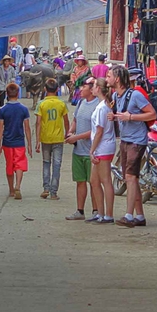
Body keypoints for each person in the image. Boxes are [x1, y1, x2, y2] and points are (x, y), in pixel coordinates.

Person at [106, 65, 157, 228]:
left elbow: (152, 114)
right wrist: (115, 117)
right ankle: (140, 216)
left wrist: (131, 116)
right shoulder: (116, 95)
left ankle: (129, 215)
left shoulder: (135, 95)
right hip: (126, 139)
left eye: (109, 76)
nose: (107, 78)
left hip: (137, 140)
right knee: (130, 178)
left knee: (130, 177)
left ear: (118, 79)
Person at [64, 78, 99, 220]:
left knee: (94, 183)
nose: (80, 90)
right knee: (80, 181)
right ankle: (80, 210)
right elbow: (75, 120)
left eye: (83, 87)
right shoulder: (80, 103)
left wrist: (76, 137)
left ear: (91, 90)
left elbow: (96, 130)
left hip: (92, 151)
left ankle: (96, 210)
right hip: (78, 150)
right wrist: (70, 132)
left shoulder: (99, 106)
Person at [86, 77, 117, 224]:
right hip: (102, 146)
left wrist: (91, 150)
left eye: (93, 86)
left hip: (102, 146)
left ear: (98, 88)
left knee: (105, 180)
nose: (91, 88)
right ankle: (100, 212)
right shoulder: (104, 106)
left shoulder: (102, 108)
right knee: (95, 180)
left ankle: (108, 214)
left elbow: (99, 131)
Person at [35, 78, 69, 200]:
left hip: (45, 138)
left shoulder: (41, 104)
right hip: (58, 138)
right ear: (57, 90)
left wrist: (37, 140)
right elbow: (66, 121)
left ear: (45, 89)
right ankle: (53, 192)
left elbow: (38, 123)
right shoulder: (61, 104)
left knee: (46, 163)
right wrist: (67, 134)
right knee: (57, 164)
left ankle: (46, 188)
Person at [0, 83, 32, 199]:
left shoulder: (3, 110)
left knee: (9, 165)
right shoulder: (23, 109)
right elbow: (27, 128)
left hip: (7, 142)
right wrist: (29, 144)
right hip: (19, 142)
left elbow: (0, 129)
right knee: (19, 164)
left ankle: (11, 189)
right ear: (18, 94)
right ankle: (18, 185)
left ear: (7, 94)